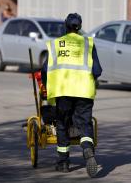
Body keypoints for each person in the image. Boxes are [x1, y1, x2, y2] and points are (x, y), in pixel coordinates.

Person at [41, 13, 102, 178]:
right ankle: (88, 149)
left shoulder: (56, 44)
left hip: (63, 91)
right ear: (79, 27)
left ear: (65, 26)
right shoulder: (88, 43)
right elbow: (97, 70)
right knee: (84, 124)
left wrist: (47, 86)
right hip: (84, 92)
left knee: (62, 124)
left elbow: (45, 70)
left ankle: (64, 163)